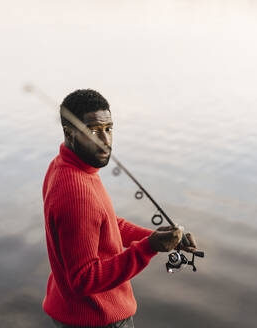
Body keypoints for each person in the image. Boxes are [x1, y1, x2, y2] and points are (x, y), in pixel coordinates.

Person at [42, 89, 198, 328]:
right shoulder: (76, 191)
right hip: (96, 318)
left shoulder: (63, 167)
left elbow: (106, 224)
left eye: (109, 129)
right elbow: (83, 279)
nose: (105, 141)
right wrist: (148, 248)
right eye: (93, 131)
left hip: (70, 309)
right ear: (69, 133)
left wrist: (159, 238)